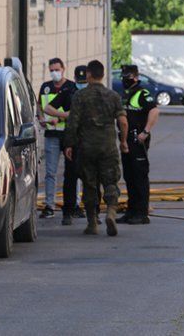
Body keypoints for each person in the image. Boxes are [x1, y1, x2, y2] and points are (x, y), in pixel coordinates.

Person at [63, 60, 128, 236]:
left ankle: (92, 223)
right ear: (103, 74)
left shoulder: (80, 96)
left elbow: (73, 122)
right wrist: (123, 141)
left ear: (89, 75)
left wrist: (68, 144)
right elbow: (122, 121)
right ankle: (112, 212)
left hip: (86, 147)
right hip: (108, 146)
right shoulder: (113, 96)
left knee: (90, 184)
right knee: (110, 181)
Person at [46, 65, 89, 225]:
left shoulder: (97, 93)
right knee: (70, 177)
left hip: (91, 141)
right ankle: (69, 210)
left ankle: (92, 210)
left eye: (84, 81)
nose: (81, 83)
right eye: (79, 80)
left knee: (91, 178)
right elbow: (48, 107)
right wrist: (64, 115)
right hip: (73, 140)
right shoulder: (69, 92)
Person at [118, 64, 160, 225]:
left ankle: (142, 213)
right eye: (123, 78)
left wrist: (146, 131)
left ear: (136, 77)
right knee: (129, 176)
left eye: (127, 78)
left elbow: (155, 111)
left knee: (139, 176)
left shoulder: (143, 93)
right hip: (126, 139)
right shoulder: (125, 94)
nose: (124, 81)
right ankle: (131, 211)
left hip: (138, 139)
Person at [37, 58, 77, 219]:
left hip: (68, 135)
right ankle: (49, 205)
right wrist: (41, 118)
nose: (54, 72)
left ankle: (75, 203)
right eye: (51, 70)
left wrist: (61, 117)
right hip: (52, 134)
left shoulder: (71, 87)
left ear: (63, 69)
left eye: (57, 69)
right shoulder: (45, 87)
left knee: (74, 172)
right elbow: (40, 106)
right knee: (50, 172)